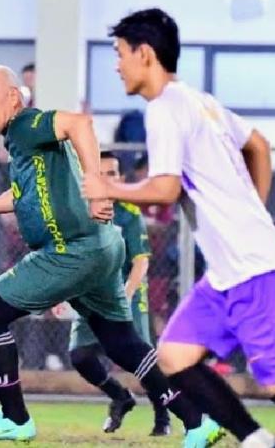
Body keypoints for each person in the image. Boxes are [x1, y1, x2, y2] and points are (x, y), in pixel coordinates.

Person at [83, 8, 275, 448]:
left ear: (145, 54)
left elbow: (164, 188)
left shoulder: (164, 109)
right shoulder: (201, 101)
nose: (116, 65)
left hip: (255, 267)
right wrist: (254, 208)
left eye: (119, 53)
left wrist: (107, 187)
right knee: (175, 355)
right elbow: (259, 145)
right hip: (228, 272)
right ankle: (257, 442)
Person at [0, 65, 223, 447]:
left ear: (14, 98)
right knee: (122, 343)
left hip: (70, 252)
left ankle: (14, 418)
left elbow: (79, 122)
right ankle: (196, 421)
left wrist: (98, 187)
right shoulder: (20, 141)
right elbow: (22, 195)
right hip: (102, 248)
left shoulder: (25, 124)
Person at [67, 151, 171, 436]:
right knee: (80, 356)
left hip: (127, 295)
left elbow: (141, 261)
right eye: (100, 173)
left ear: (121, 179)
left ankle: (163, 417)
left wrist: (125, 296)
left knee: (141, 361)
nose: (106, 179)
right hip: (92, 296)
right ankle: (120, 397)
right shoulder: (79, 211)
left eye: (112, 173)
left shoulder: (129, 212)